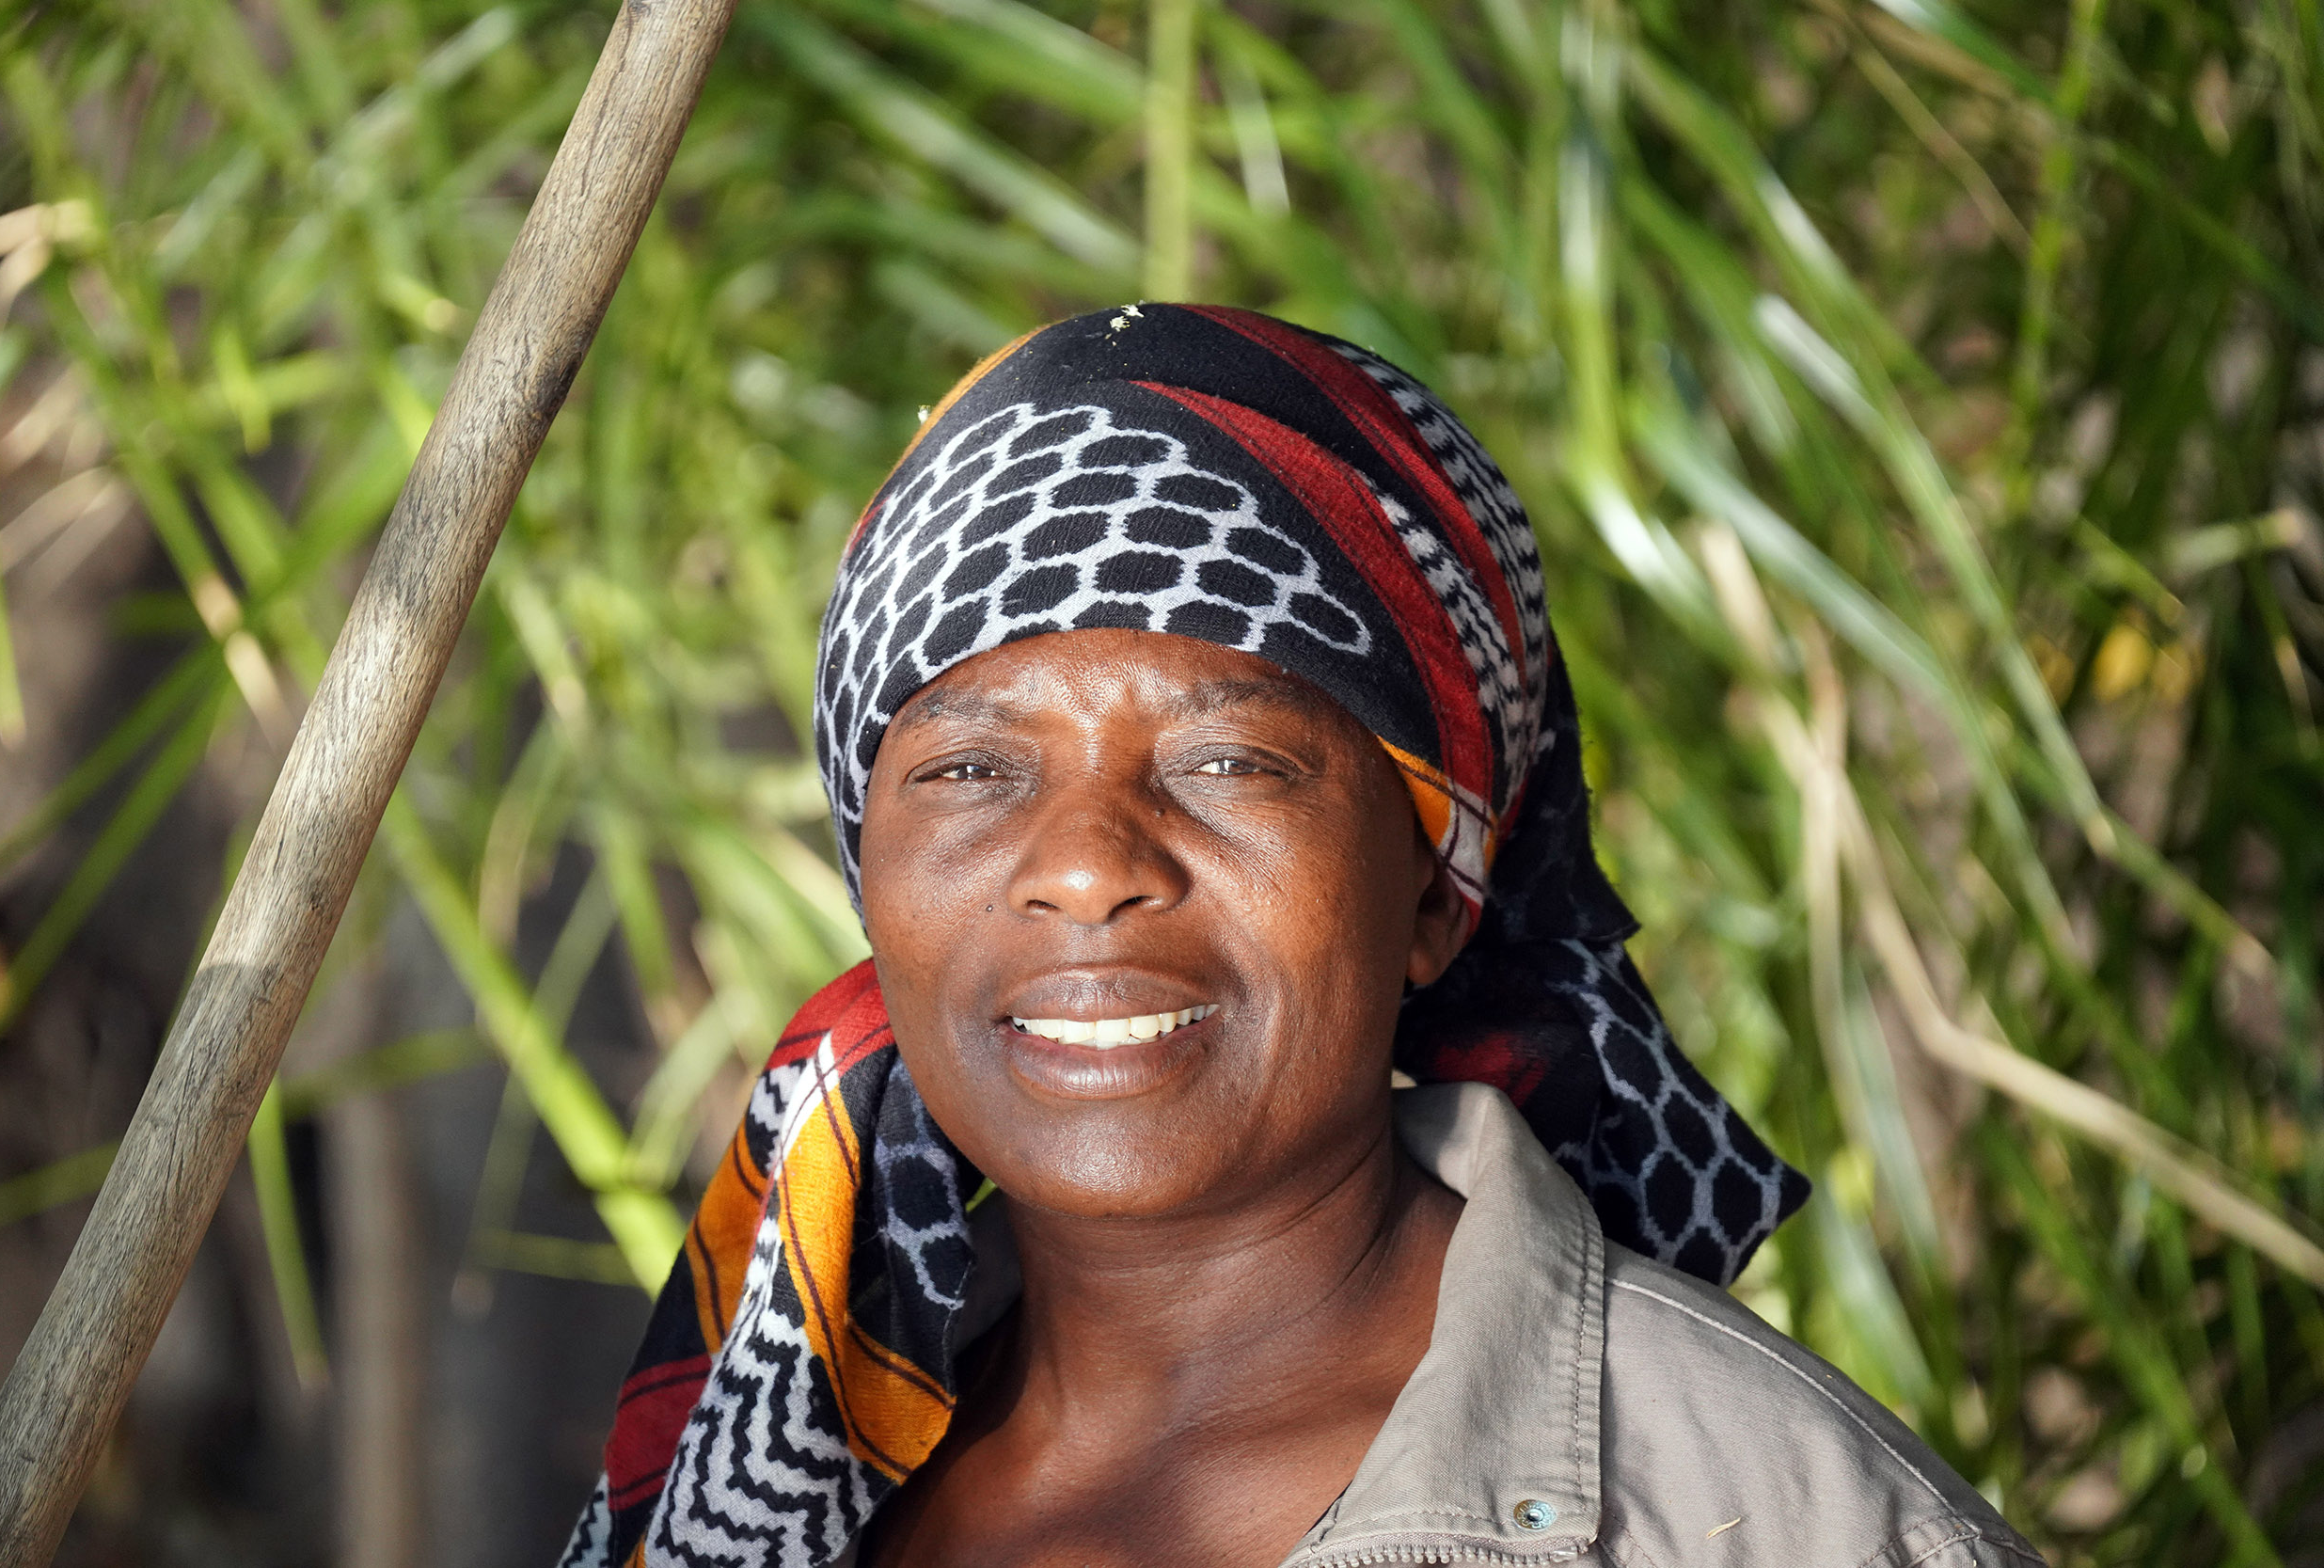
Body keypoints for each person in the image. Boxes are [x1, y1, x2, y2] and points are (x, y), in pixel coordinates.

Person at [560, 305, 2043, 1568]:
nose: (1084, 869)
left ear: (1430, 895)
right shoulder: (772, 1467)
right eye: (971, 770)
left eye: (1228, 763)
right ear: (871, 874)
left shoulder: (1776, 1523)